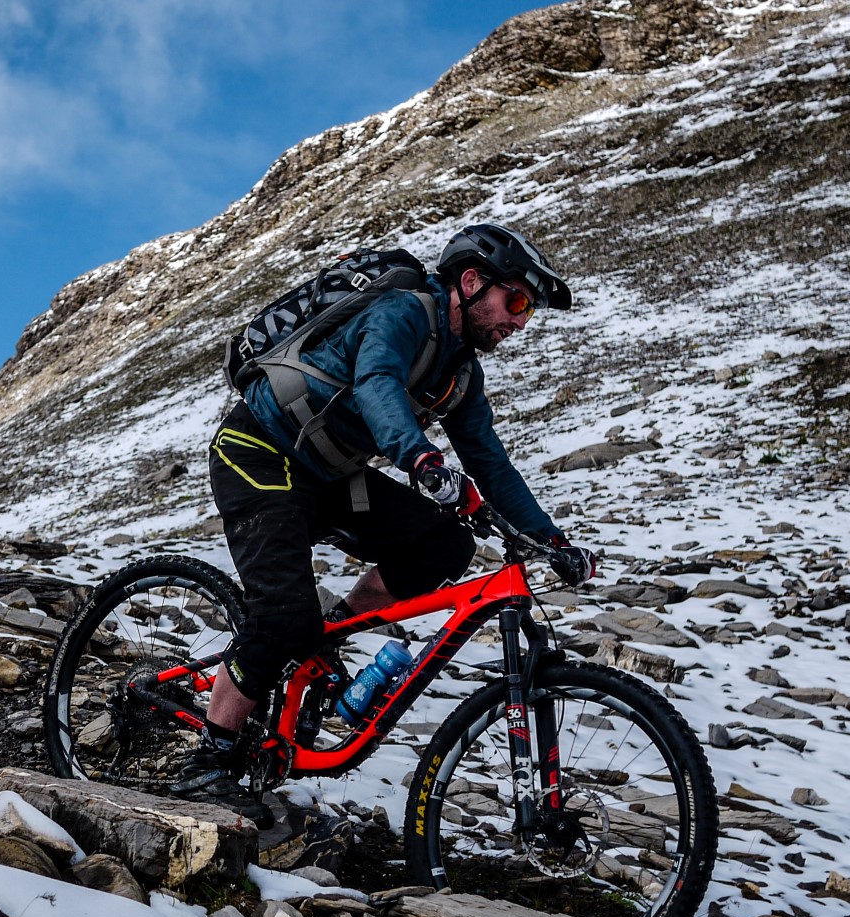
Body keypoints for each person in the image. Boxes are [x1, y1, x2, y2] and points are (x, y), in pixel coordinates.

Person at [177, 222, 600, 812]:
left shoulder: (459, 372)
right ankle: (209, 755)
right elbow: (377, 383)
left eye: (527, 309)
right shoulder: (403, 312)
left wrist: (551, 540)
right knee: (280, 614)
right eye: (518, 300)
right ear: (473, 282)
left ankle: (324, 636)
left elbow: (491, 464)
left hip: (328, 473)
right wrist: (419, 458)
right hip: (259, 453)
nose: (520, 320)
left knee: (444, 546)